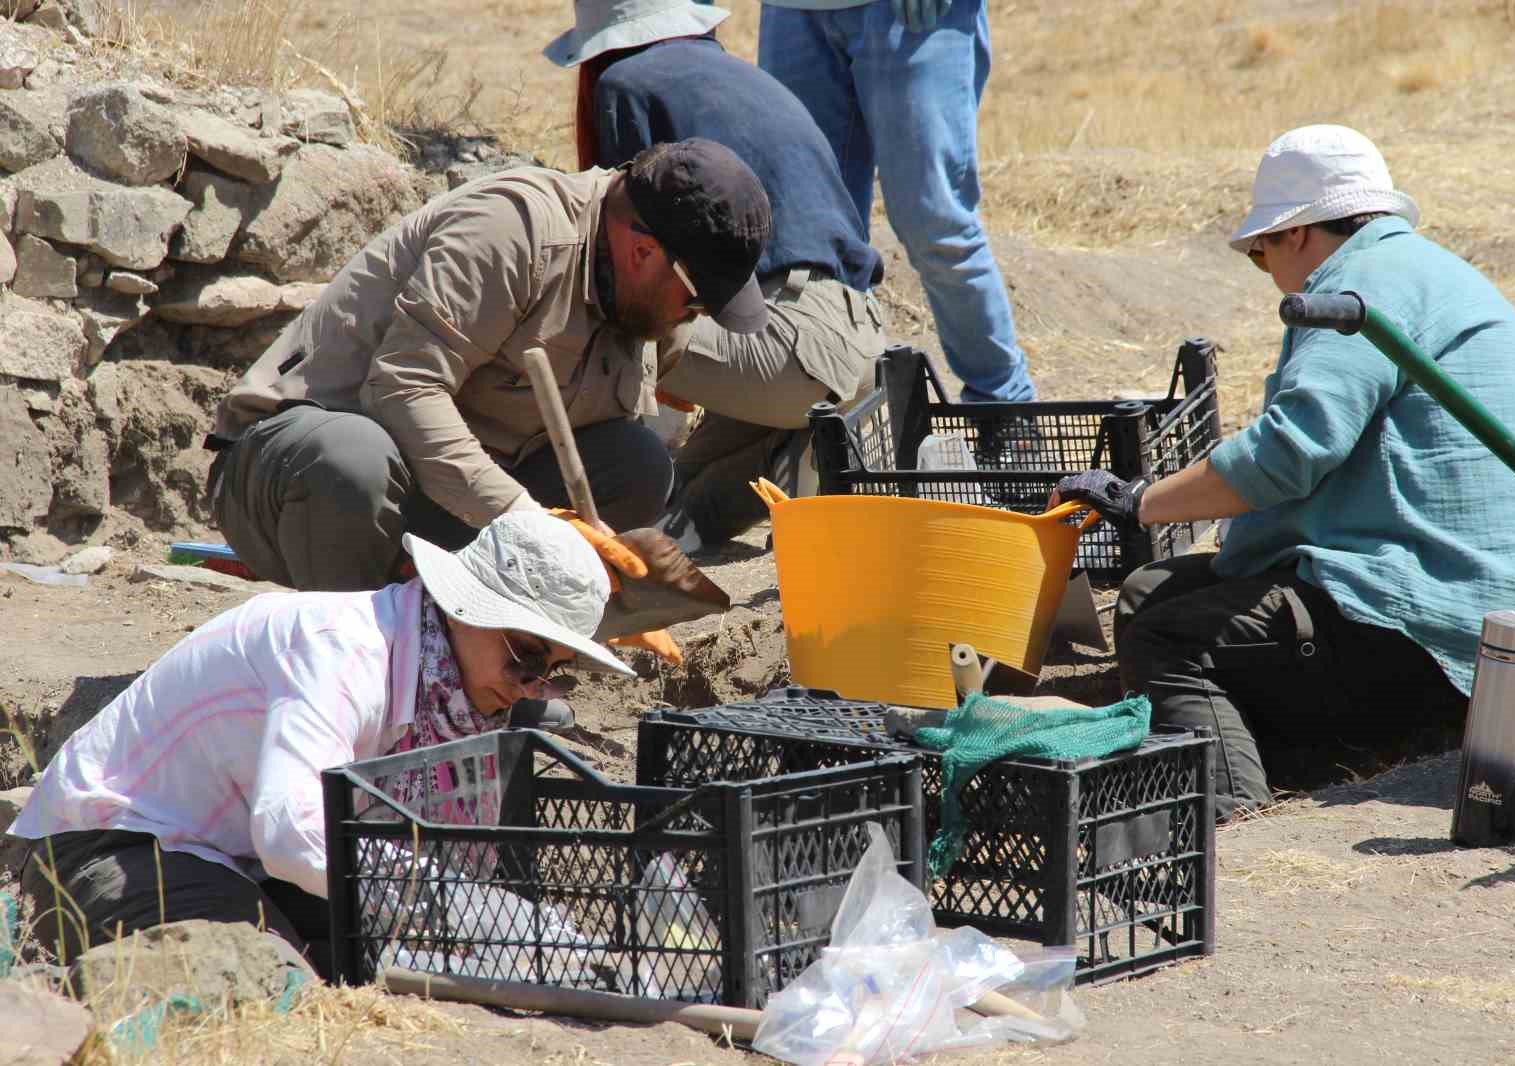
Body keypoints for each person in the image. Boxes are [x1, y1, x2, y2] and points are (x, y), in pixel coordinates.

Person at [1051, 125, 1515, 820]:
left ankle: (1231, 818)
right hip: (1466, 608)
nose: (1263, 266)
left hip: (1442, 623)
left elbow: (1291, 452)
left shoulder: (1360, 285)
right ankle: (1318, 762)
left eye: (1259, 250)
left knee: (1166, 638)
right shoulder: (1416, 269)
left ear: (1299, 233)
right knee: (1149, 593)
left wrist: (1139, 500)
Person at [7, 510, 632, 975]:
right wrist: (478, 912)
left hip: (229, 858)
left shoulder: (430, 673)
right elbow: (293, 832)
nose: (530, 686)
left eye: (552, 668)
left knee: (394, 964)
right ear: (468, 610)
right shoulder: (343, 650)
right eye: (525, 655)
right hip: (111, 850)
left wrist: (513, 927)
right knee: (273, 979)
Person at [205, 138, 771, 590]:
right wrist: (525, 522)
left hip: (442, 497)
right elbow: (403, 390)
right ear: (643, 252)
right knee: (353, 460)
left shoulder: (646, 296)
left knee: (637, 466)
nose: (691, 317)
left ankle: (500, 667)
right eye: (694, 299)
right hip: (295, 477)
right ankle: (362, 678)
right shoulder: (514, 230)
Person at [545, 0, 887, 548]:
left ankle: (807, 442)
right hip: (857, 347)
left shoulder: (627, 82)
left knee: (577, 308)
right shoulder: (731, 74)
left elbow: (631, 265)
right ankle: (809, 451)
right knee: (676, 500)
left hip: (794, 349)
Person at [756, 0, 1037, 410]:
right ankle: (832, 418)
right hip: (792, 10)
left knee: (935, 224)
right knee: (810, 235)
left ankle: (1004, 409)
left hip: (911, 17)